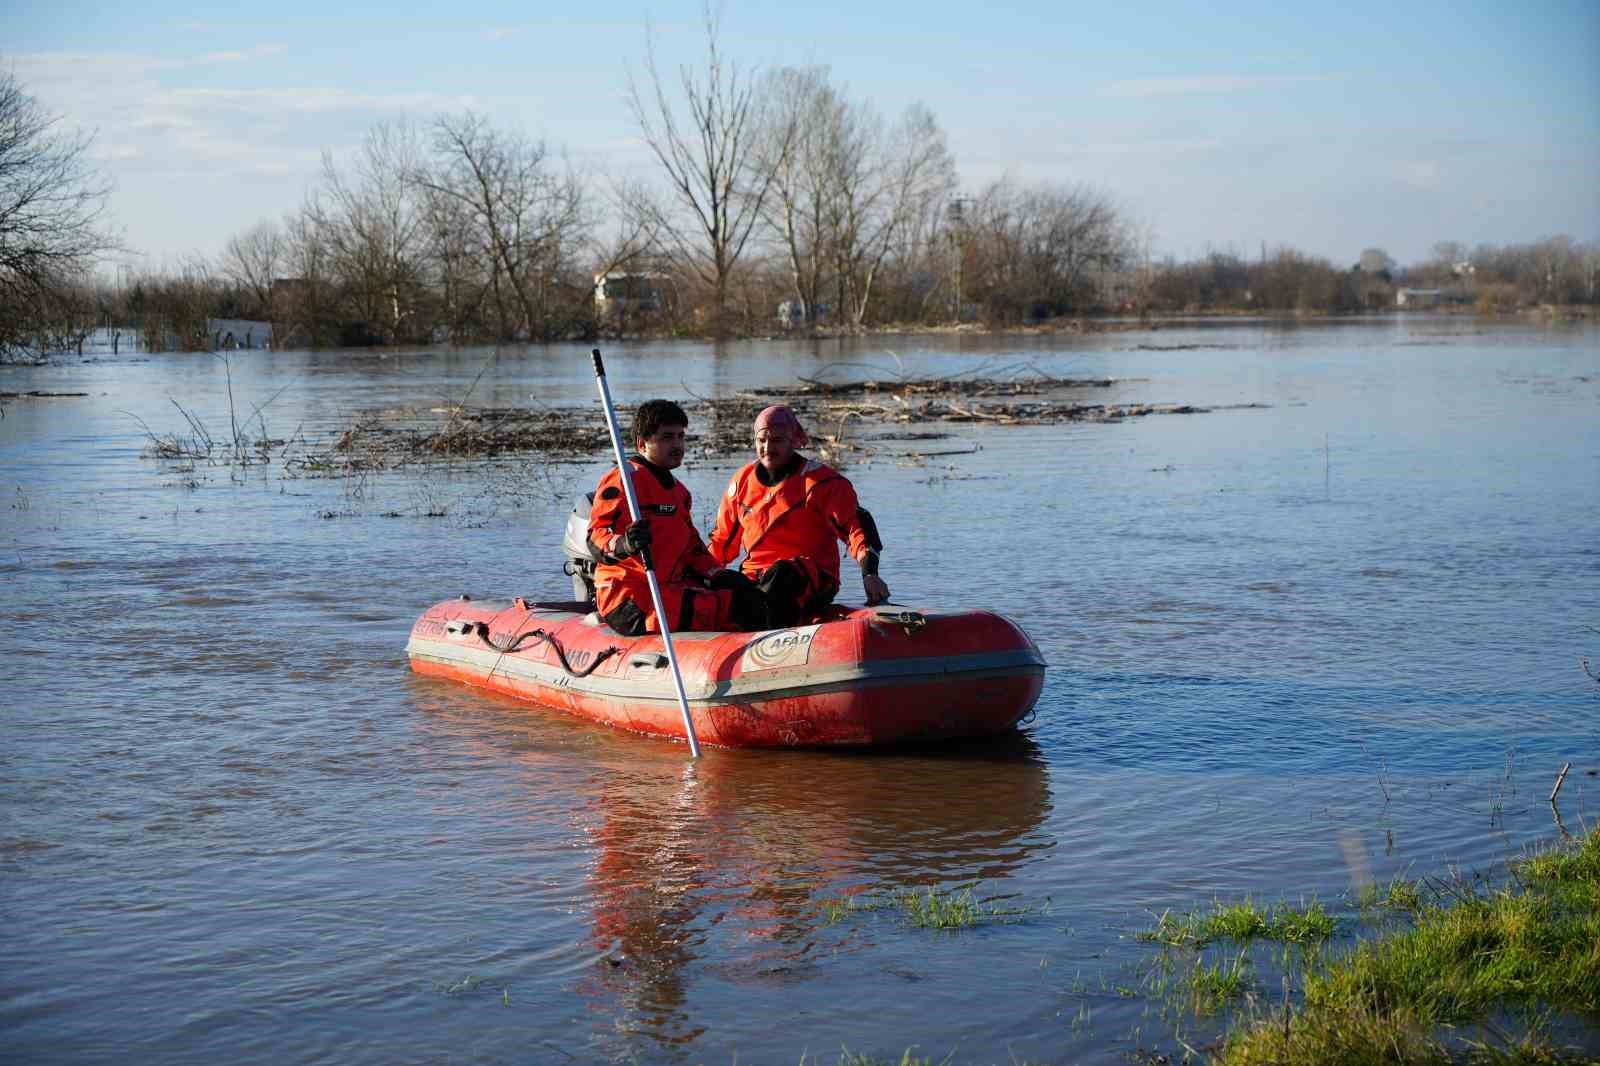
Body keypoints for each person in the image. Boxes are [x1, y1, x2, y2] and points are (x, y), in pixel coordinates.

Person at [588, 399, 760, 636]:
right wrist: (624, 544)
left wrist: (719, 575)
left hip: (667, 589)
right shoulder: (625, 480)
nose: (677, 444)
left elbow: (692, 550)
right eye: (667, 437)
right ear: (642, 443)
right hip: (628, 597)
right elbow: (596, 536)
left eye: (681, 436)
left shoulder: (679, 493)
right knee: (727, 608)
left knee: (746, 597)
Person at [709, 404, 888, 627]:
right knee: (722, 581)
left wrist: (869, 574)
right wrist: (703, 577)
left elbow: (856, 526)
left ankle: (771, 631)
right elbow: (721, 543)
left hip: (809, 577)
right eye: (761, 440)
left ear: (794, 441)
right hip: (757, 580)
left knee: (781, 574)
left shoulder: (822, 483)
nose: (767, 448)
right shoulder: (742, 482)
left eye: (777, 441)